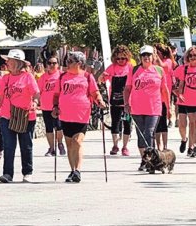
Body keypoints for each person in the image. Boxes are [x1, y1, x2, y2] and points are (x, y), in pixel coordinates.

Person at [52, 51, 107, 183]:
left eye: (70, 61)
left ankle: (78, 170)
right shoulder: (62, 77)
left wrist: (100, 101)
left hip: (82, 115)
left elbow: (94, 92)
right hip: (65, 115)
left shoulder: (87, 77)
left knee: (77, 142)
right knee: (70, 144)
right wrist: (54, 107)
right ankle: (73, 171)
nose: (67, 63)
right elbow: (56, 95)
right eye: (67, 61)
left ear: (79, 63)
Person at [0, 49, 40, 183]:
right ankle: (7, 173)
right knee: (9, 146)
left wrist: (34, 102)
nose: (7, 62)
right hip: (6, 116)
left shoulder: (28, 77)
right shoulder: (5, 78)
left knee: (26, 145)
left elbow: (36, 93)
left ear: (17, 63)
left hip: (25, 116)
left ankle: (27, 172)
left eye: (9, 60)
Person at [123, 46, 171, 171]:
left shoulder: (159, 71)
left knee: (149, 133)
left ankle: (153, 161)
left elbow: (164, 90)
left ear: (153, 56)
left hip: (154, 107)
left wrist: (168, 107)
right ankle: (144, 160)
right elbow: (127, 89)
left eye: (149, 55)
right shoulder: (134, 71)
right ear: (140, 57)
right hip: (137, 108)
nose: (146, 57)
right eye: (144, 55)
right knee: (141, 135)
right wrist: (126, 104)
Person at [98, 45, 133, 156]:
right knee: (115, 123)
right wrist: (102, 77)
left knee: (127, 123)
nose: (120, 61)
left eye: (123, 58)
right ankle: (115, 145)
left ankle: (125, 146)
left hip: (127, 101)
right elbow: (100, 80)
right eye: (118, 58)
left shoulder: (130, 67)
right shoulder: (112, 67)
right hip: (115, 100)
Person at [175, 46, 196, 158]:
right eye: (190, 56)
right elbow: (176, 82)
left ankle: (195, 145)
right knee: (186, 124)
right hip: (186, 100)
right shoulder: (183, 69)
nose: (192, 58)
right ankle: (185, 140)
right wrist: (178, 93)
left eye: (195, 55)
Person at [38, 55, 65, 157]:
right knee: (49, 128)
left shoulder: (61, 76)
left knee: (59, 126)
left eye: (54, 63)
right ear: (46, 65)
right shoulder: (43, 77)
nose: (52, 65)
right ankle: (51, 148)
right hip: (45, 106)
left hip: (58, 106)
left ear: (58, 65)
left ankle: (60, 143)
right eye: (50, 63)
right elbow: (38, 91)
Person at [153, 43, 176, 150]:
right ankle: (159, 146)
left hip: (164, 96)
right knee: (157, 125)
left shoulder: (168, 61)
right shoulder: (152, 64)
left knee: (163, 124)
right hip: (154, 97)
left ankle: (165, 146)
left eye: (157, 53)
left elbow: (162, 66)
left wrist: (156, 56)